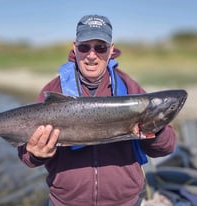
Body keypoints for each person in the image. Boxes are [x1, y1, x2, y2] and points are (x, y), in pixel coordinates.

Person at [18, 14, 176, 206]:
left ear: (111, 50)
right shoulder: (53, 89)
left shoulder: (129, 88)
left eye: (100, 47)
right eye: (85, 47)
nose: (91, 55)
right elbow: (26, 156)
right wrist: (35, 153)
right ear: (75, 48)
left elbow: (166, 147)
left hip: (125, 202)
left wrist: (155, 127)